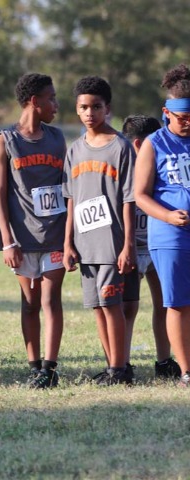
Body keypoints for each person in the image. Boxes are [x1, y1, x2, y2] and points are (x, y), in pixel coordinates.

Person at [0, 73, 67, 388]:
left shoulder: (58, 138)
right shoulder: (5, 141)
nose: (56, 105)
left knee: (51, 300)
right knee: (30, 303)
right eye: (51, 98)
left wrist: (69, 239)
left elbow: (67, 189)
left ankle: (49, 369)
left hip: (55, 234)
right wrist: (7, 241)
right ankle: (34, 366)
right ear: (34, 101)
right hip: (22, 239)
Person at [62, 76, 136, 385]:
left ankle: (119, 369)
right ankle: (112, 366)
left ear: (107, 108)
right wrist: (68, 242)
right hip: (85, 242)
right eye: (83, 107)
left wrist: (128, 244)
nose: (89, 113)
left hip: (111, 241)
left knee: (111, 304)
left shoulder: (121, 147)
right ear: (76, 109)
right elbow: (71, 200)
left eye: (96, 107)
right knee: (97, 306)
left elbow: (129, 200)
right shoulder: (75, 149)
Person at [134, 64, 190, 387]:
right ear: (166, 112)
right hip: (171, 235)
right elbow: (140, 195)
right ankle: (186, 370)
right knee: (178, 302)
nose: (187, 123)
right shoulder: (155, 144)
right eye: (182, 118)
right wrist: (168, 216)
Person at [122, 115, 181, 379]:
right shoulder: (124, 167)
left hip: (158, 243)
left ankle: (164, 360)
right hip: (131, 247)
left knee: (165, 304)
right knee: (128, 307)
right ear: (138, 144)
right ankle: (122, 363)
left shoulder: (165, 165)